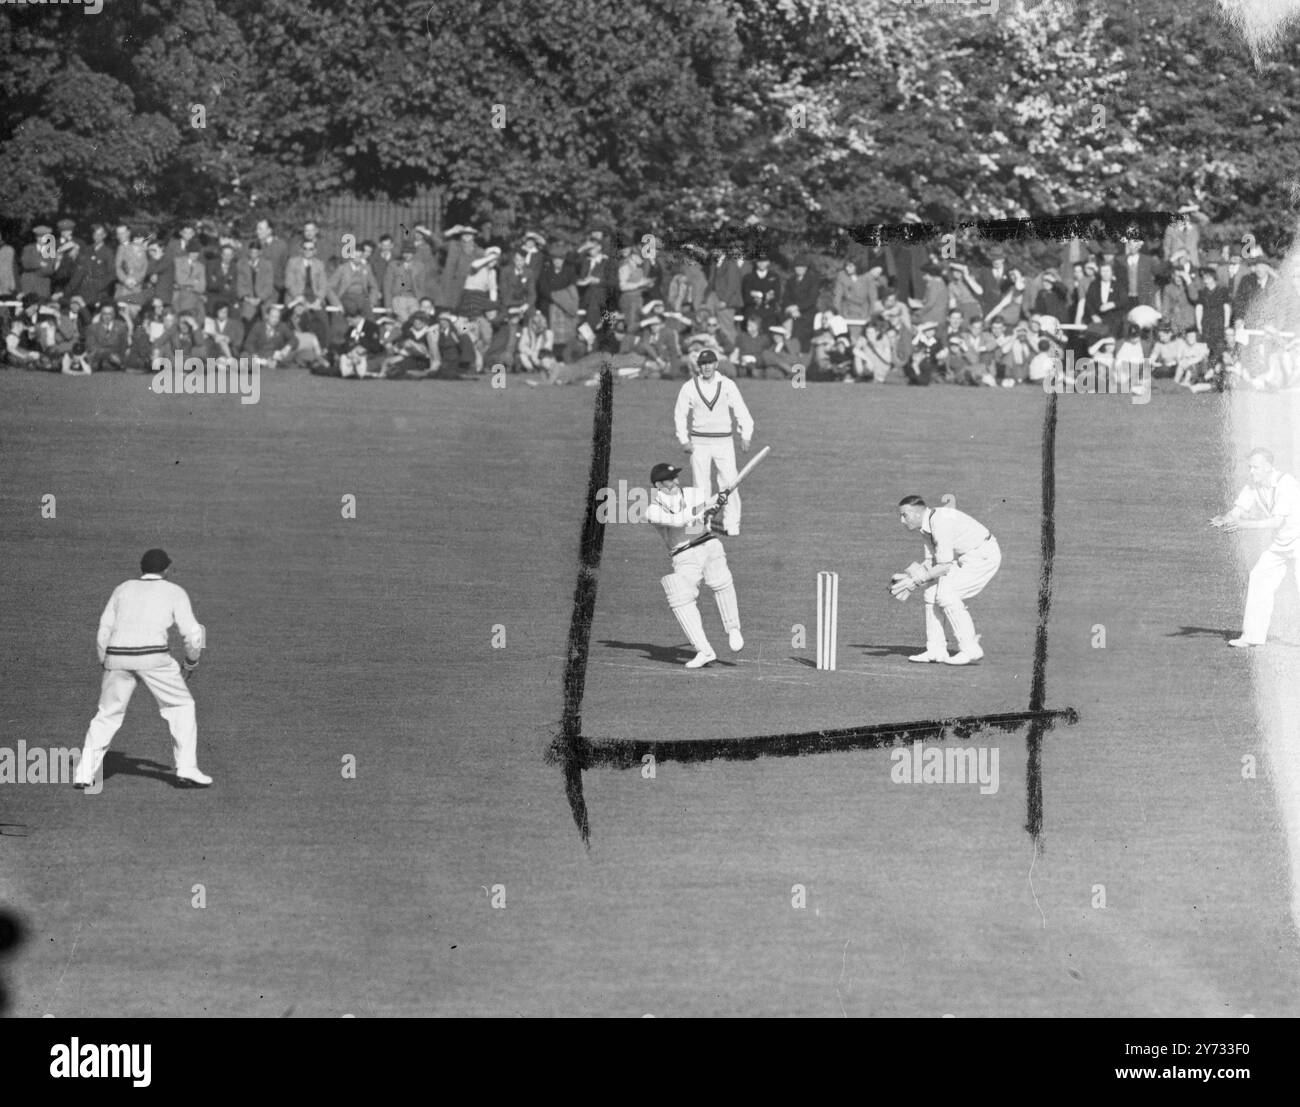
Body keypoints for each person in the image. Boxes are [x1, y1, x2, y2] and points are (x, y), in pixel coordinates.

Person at [73, 548, 212, 790]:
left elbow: (104, 628)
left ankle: (84, 773)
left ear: (142, 568)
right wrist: (191, 662)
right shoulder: (174, 591)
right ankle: (187, 769)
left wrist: (104, 659)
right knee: (181, 706)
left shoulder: (123, 588)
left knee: (107, 714)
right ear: (166, 569)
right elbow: (193, 633)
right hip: (153, 657)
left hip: (116, 655)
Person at [643, 461, 744, 669]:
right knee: (678, 595)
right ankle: (704, 650)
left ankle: (733, 628)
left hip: (706, 543)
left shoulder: (691, 493)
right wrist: (706, 506)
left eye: (676, 477)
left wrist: (716, 504)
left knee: (720, 580)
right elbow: (679, 521)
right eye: (670, 480)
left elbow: (700, 519)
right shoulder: (652, 510)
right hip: (683, 556)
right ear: (658, 485)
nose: (675, 482)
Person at [892, 495, 1002, 665]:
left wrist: (914, 582)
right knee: (931, 593)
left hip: (983, 555)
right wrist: (910, 577)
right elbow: (931, 562)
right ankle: (936, 651)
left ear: (916, 513)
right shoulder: (926, 526)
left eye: (904, 515)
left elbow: (944, 566)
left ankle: (970, 649)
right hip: (966, 557)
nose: (901, 520)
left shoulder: (939, 524)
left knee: (946, 595)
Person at [1211, 448, 1300, 648]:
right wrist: (1225, 519)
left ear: (1269, 467)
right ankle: (1252, 636)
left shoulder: (1287, 484)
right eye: (1250, 467)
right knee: (1259, 578)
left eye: (1256, 467)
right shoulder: (1253, 485)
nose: (1252, 471)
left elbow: (1276, 521)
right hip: (1280, 543)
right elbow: (1239, 510)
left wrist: (1243, 525)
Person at [673, 349, 754, 535]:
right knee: (700, 484)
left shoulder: (727, 385)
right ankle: (700, 522)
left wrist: (746, 435)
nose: (707, 367)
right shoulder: (689, 387)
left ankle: (731, 523)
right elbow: (680, 415)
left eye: (710, 363)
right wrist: (684, 440)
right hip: (699, 443)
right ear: (698, 366)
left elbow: (741, 410)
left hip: (723, 442)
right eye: (703, 364)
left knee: (729, 482)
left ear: (716, 364)